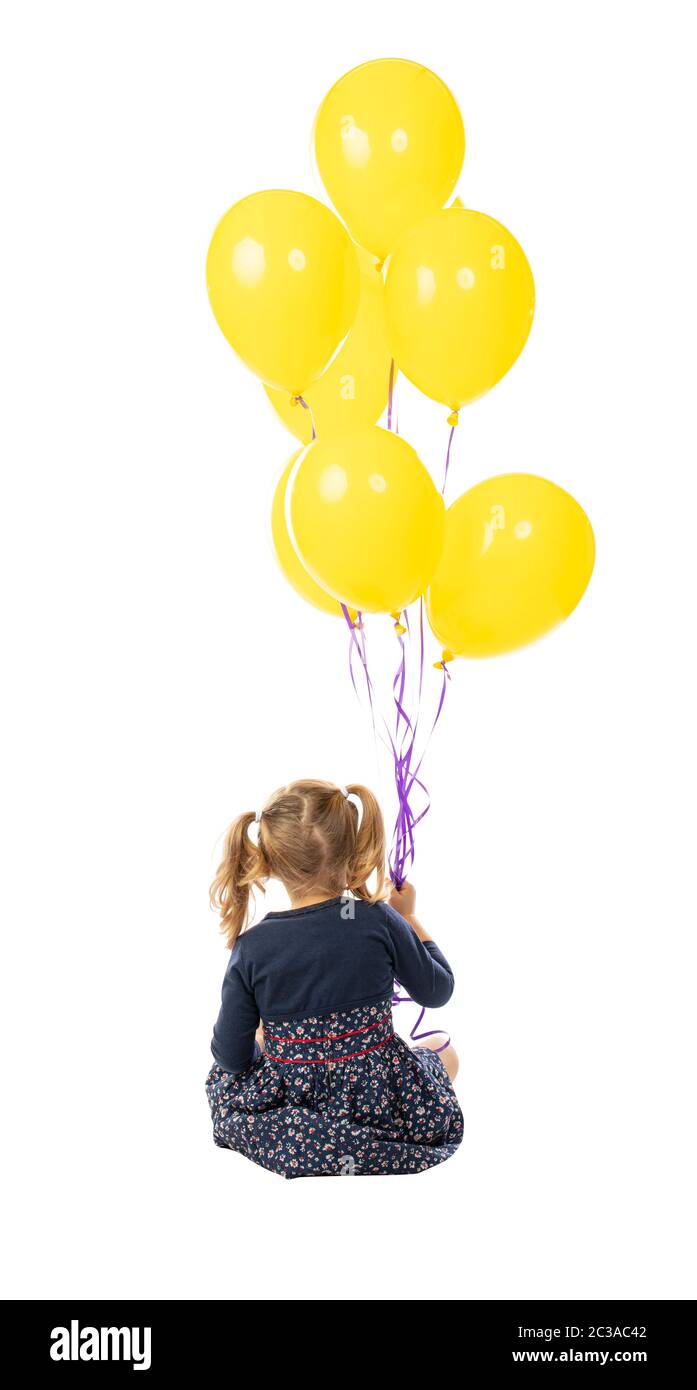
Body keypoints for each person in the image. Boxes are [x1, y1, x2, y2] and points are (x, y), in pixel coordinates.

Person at [206, 778, 463, 1177]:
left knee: (232, 1071)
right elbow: (438, 989)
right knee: (445, 1054)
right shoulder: (377, 919)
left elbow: (230, 1057)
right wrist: (409, 917)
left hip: (292, 1109)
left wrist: (264, 1038)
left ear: (270, 862)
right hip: (378, 1099)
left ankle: (316, 1140)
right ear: (353, 847)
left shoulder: (253, 947)